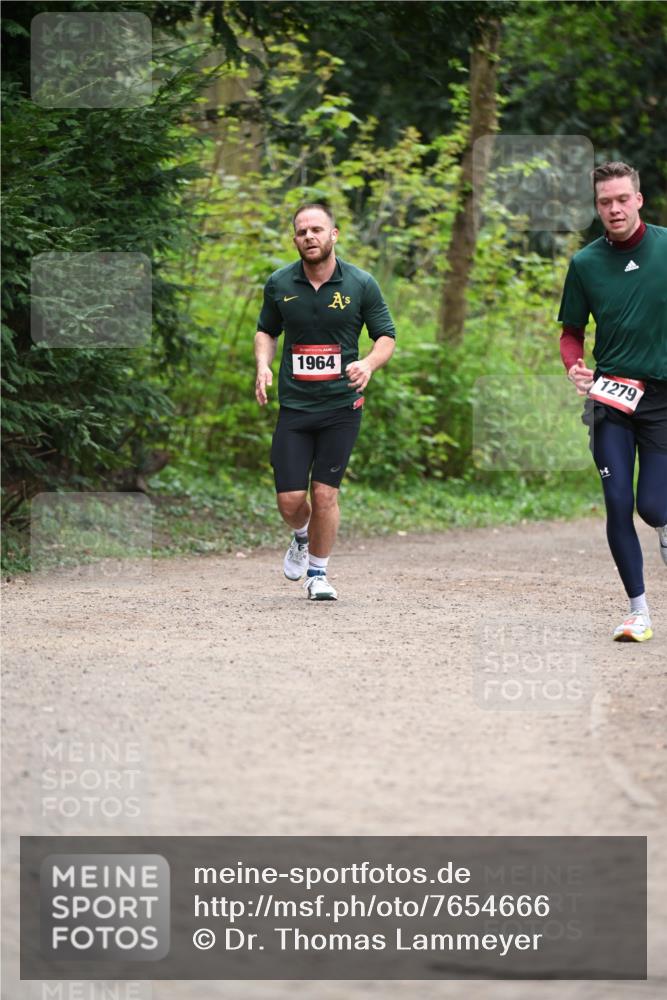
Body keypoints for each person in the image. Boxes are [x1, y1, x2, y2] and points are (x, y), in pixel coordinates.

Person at [254, 203, 396, 600]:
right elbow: (266, 331)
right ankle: (301, 535)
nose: (309, 237)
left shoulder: (361, 283)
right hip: (296, 407)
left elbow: (386, 335)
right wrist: (263, 366)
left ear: (334, 234)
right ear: (294, 239)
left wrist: (368, 364)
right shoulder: (280, 283)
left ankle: (318, 574)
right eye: (302, 232)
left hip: (341, 407)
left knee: (324, 493)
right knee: (290, 501)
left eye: (317, 229)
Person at [559, 161, 667, 642]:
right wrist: (574, 366)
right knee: (618, 501)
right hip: (612, 396)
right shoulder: (585, 264)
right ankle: (638, 611)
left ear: (638, 199)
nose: (615, 209)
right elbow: (570, 333)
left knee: (654, 506)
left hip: (663, 398)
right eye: (606, 202)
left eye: (623, 199)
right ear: (597, 207)